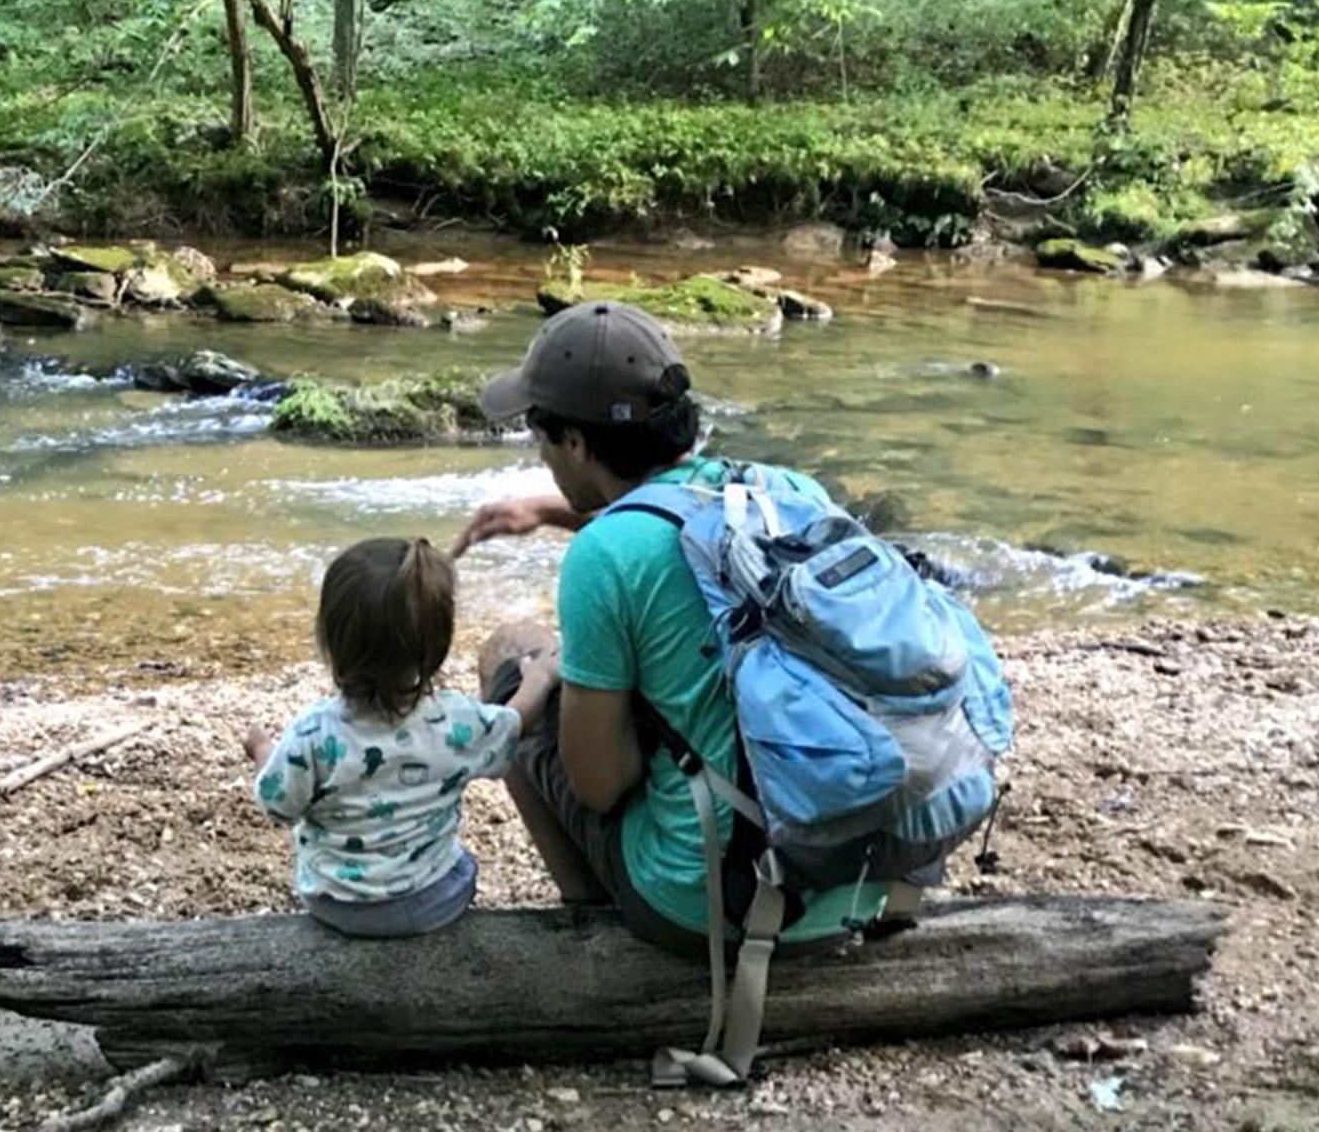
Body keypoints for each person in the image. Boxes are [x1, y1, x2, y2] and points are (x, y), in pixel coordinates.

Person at [453, 301, 878, 955]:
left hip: (704, 905)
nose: (544, 459)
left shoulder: (604, 558)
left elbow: (600, 783)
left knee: (513, 652)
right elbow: (683, 528)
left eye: (542, 438)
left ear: (575, 442)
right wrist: (552, 511)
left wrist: (557, 678)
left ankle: (592, 918)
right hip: (854, 881)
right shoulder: (784, 489)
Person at [243, 536, 556, 937]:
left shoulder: (313, 734)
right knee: (464, 864)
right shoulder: (456, 720)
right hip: (436, 901)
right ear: (438, 647)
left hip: (338, 905)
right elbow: (513, 722)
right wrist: (539, 680)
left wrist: (262, 750)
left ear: (331, 640)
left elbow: (278, 804)